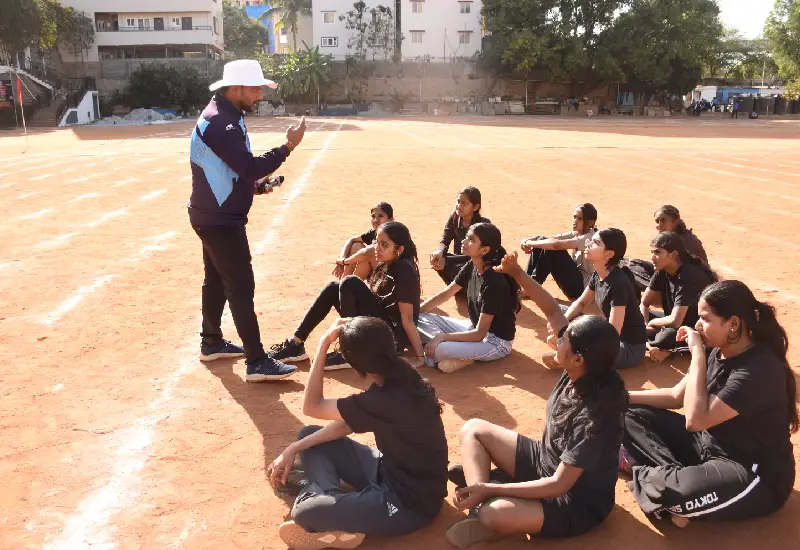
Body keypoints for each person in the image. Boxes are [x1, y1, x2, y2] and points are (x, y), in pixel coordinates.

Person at [444, 251, 628, 548]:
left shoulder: (596, 417)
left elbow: (559, 485)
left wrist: (485, 487)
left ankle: (490, 499)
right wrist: (517, 273)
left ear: (578, 358)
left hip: (574, 501)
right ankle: (487, 497)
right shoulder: (583, 369)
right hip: (545, 461)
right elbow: (553, 311)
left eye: (563, 340)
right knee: (473, 428)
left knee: (495, 514)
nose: (557, 339)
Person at [620, 280, 797, 527]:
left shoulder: (758, 370)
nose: (697, 325)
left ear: (733, 323)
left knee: (679, 493)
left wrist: (697, 353)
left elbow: (695, 421)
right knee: (627, 415)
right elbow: (675, 396)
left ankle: (666, 482)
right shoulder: (720, 350)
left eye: (705, 318)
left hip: (752, 473)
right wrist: (620, 396)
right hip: (708, 446)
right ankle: (672, 480)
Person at [268, 317, 448, 550]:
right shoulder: (399, 371)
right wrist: (293, 448)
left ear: (357, 366)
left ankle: (327, 501)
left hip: (410, 505)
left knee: (303, 512)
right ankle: (331, 498)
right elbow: (348, 423)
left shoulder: (384, 398)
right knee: (307, 437)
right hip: (389, 471)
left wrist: (323, 343)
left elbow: (311, 406)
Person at [189, 59, 305, 382]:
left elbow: (229, 171)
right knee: (241, 285)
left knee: (215, 281)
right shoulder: (221, 123)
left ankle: (211, 342)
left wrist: (254, 188)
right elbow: (250, 166)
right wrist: (288, 147)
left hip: (212, 215)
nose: (259, 96)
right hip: (220, 221)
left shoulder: (226, 114)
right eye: (255, 89)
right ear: (236, 88)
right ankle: (256, 360)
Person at [269, 221, 425, 370]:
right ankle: (296, 344)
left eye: (384, 245)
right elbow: (366, 251)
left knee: (350, 282)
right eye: (377, 242)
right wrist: (344, 261)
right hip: (380, 326)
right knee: (333, 288)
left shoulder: (404, 270)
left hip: (391, 340)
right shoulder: (388, 259)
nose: (377, 248)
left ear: (399, 249)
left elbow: (408, 320)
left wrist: (419, 357)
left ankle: (349, 351)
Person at [418, 223, 519, 373]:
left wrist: (442, 337)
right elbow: (446, 293)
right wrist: (416, 312)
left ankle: (457, 354)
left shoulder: (494, 283)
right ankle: (458, 354)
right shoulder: (472, 265)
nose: (464, 242)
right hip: (473, 327)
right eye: (466, 237)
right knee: (417, 319)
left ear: (484, 250)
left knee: (440, 348)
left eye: (471, 240)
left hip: (495, 342)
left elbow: (480, 334)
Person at [558, 228, 646, 370]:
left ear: (609, 254)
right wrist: (563, 323)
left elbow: (613, 333)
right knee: (560, 311)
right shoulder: (598, 274)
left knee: (585, 347)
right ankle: (567, 352)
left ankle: (567, 357)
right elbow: (581, 303)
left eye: (596, 243)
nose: (588, 244)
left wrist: (573, 335)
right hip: (610, 337)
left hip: (627, 348)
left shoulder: (618, 284)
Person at [641, 232, 718, 362]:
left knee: (668, 336)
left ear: (674, 254)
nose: (652, 257)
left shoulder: (689, 277)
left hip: (696, 326)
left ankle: (669, 350)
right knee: (629, 315)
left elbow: (676, 321)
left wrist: (652, 323)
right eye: (652, 252)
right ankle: (652, 344)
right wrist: (644, 324)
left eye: (658, 252)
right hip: (674, 320)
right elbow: (644, 303)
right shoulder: (662, 269)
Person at [520, 203, 598, 301]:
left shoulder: (589, 238)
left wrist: (530, 243)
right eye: (574, 217)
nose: (575, 221)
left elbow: (555, 245)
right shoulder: (577, 233)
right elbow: (546, 239)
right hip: (574, 281)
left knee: (551, 248)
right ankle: (526, 285)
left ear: (590, 223)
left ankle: (531, 289)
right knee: (542, 240)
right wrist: (525, 241)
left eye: (580, 219)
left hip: (582, 288)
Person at [627, 205, 709, 291]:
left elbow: (679, 269)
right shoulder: (674, 236)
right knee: (633, 264)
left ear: (675, 222)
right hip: (678, 273)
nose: (659, 225)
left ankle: (657, 290)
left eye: (663, 220)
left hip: (688, 281)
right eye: (657, 221)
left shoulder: (680, 241)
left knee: (631, 272)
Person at [429, 187, 491, 286]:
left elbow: (482, 257)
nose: (459, 206)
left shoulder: (483, 225)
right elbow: (445, 241)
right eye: (458, 201)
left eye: (464, 203)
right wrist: (439, 251)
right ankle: (458, 290)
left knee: (446, 262)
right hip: (458, 262)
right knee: (438, 259)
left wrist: (447, 261)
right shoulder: (454, 217)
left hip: (476, 264)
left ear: (475, 207)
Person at [333, 202, 394, 280]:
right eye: (373, 216)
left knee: (366, 257)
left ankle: (350, 288)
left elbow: (368, 252)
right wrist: (341, 259)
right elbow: (351, 240)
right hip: (378, 270)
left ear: (391, 219)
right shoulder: (376, 232)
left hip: (391, 275)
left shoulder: (394, 232)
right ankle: (343, 285)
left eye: (380, 216)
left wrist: (344, 262)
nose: (376, 220)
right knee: (356, 246)